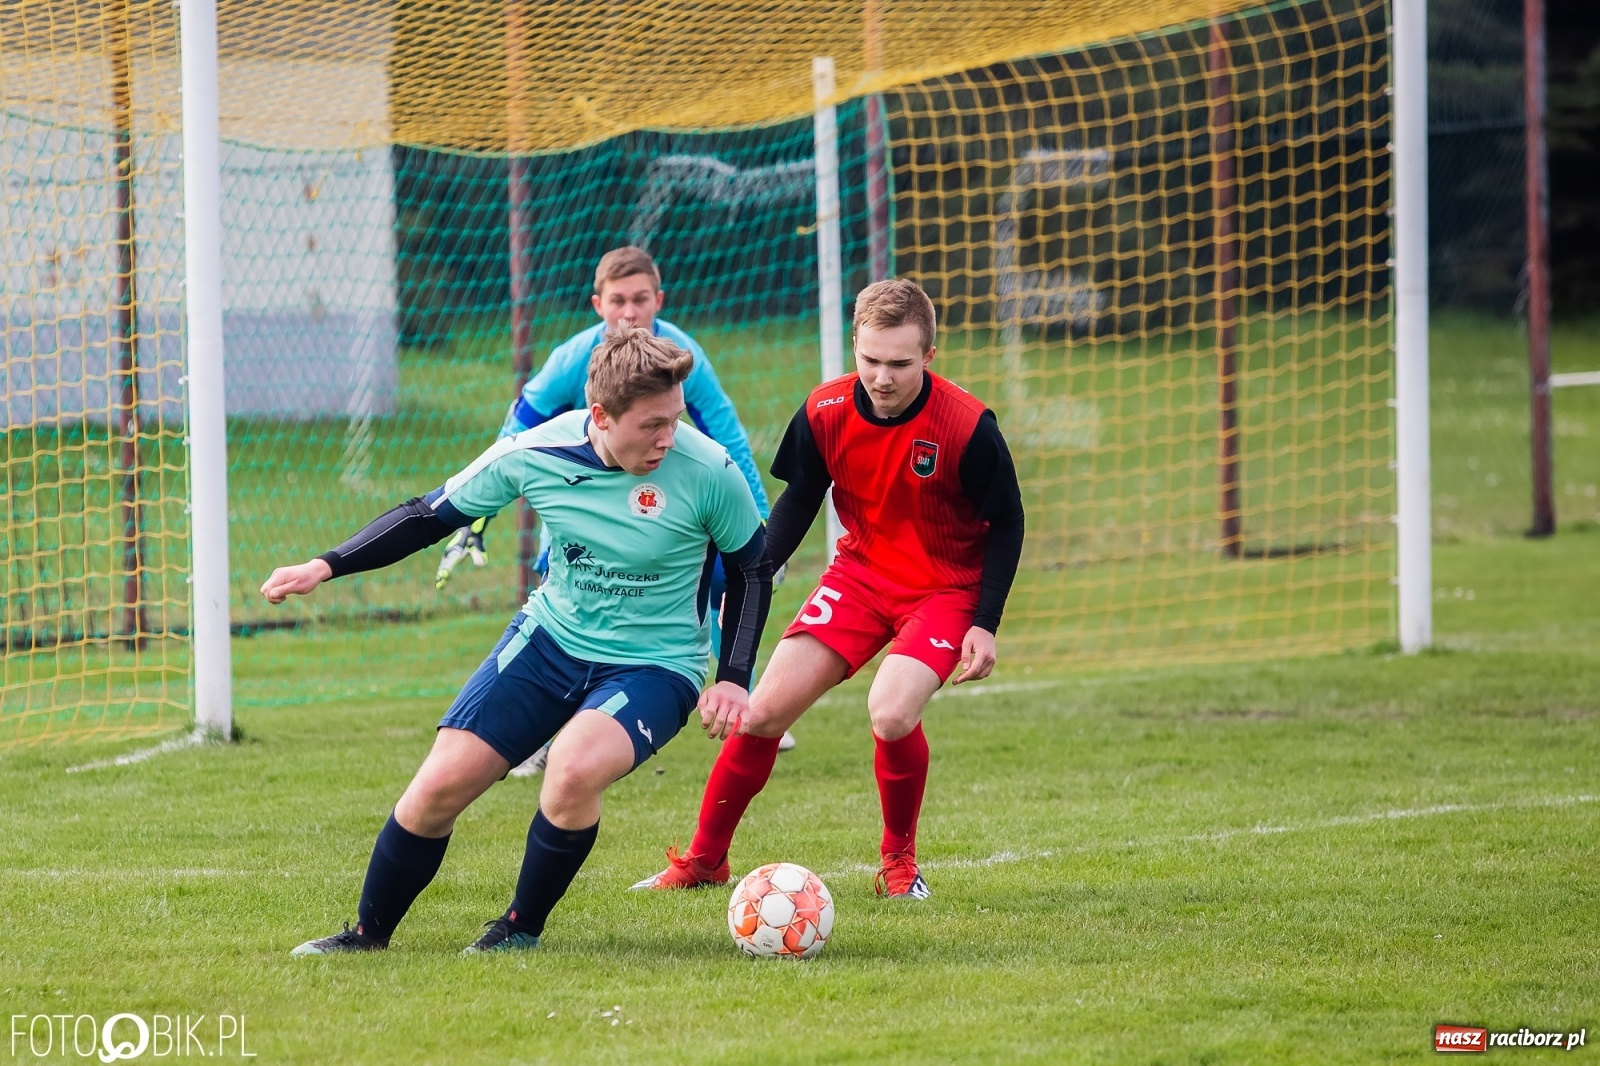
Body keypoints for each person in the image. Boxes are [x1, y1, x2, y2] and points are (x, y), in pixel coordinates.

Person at [263, 325, 772, 954]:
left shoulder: (708, 469)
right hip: (549, 640)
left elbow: (753, 567)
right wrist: (327, 565)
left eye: (673, 418)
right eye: (650, 425)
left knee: (573, 769)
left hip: (655, 664)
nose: (668, 437)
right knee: (436, 788)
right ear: (600, 416)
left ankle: (517, 930)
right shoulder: (532, 453)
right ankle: (366, 937)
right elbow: (429, 514)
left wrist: (733, 674)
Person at [634, 278, 1024, 900]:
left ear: (928, 354)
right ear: (855, 348)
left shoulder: (967, 426)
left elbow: (1006, 521)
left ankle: (899, 865)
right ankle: (704, 861)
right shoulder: (825, 411)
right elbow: (799, 501)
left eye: (899, 363)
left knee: (892, 712)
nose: (882, 376)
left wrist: (986, 620)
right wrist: (753, 569)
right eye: (869, 360)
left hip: (944, 592)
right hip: (860, 578)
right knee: (759, 713)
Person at [434, 246, 794, 765]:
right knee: (560, 600)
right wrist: (478, 517)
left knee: (725, 581)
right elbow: (515, 434)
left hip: (668, 511)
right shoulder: (571, 358)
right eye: (618, 301)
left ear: (659, 301)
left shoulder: (681, 358)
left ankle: (743, 703)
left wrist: (758, 522)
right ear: (597, 303)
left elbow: (728, 439)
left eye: (640, 300)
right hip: (577, 509)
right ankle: (537, 730)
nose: (629, 313)